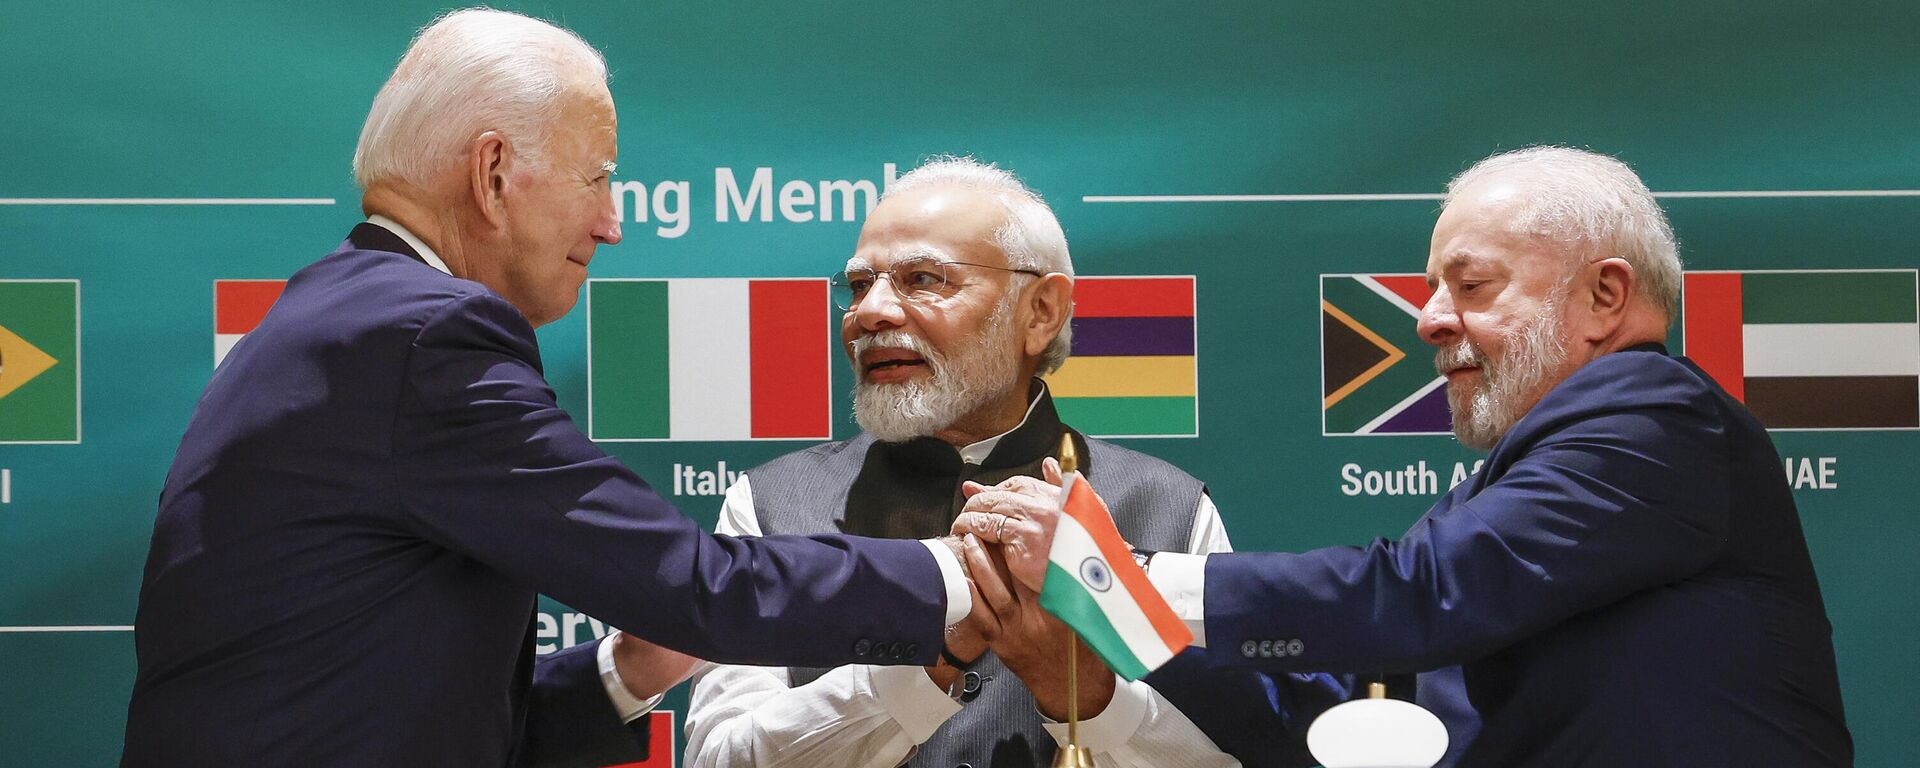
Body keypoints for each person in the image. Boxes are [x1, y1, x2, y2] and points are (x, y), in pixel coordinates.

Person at [123, 10, 978, 767]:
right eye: (597, 178)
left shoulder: (337, 315)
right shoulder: (421, 336)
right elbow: (699, 584)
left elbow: (412, 720)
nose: (611, 221)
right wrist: (967, 576)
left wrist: (626, 670)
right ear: (494, 174)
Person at [960, 146, 1854, 766]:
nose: (1425, 317)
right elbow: (1328, 702)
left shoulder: (1655, 419)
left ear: (1605, 296)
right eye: (1432, 288)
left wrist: (1112, 571)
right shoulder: (1497, 493)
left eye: (1470, 285)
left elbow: (1420, 597)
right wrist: (1106, 629)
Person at [682, 157, 1275, 768]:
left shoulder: (1169, 510)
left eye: (923, 279)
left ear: (1040, 312)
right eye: (859, 286)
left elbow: (1239, 753)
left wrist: (1087, 697)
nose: (870, 313)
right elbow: (716, 760)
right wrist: (922, 666)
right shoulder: (771, 506)